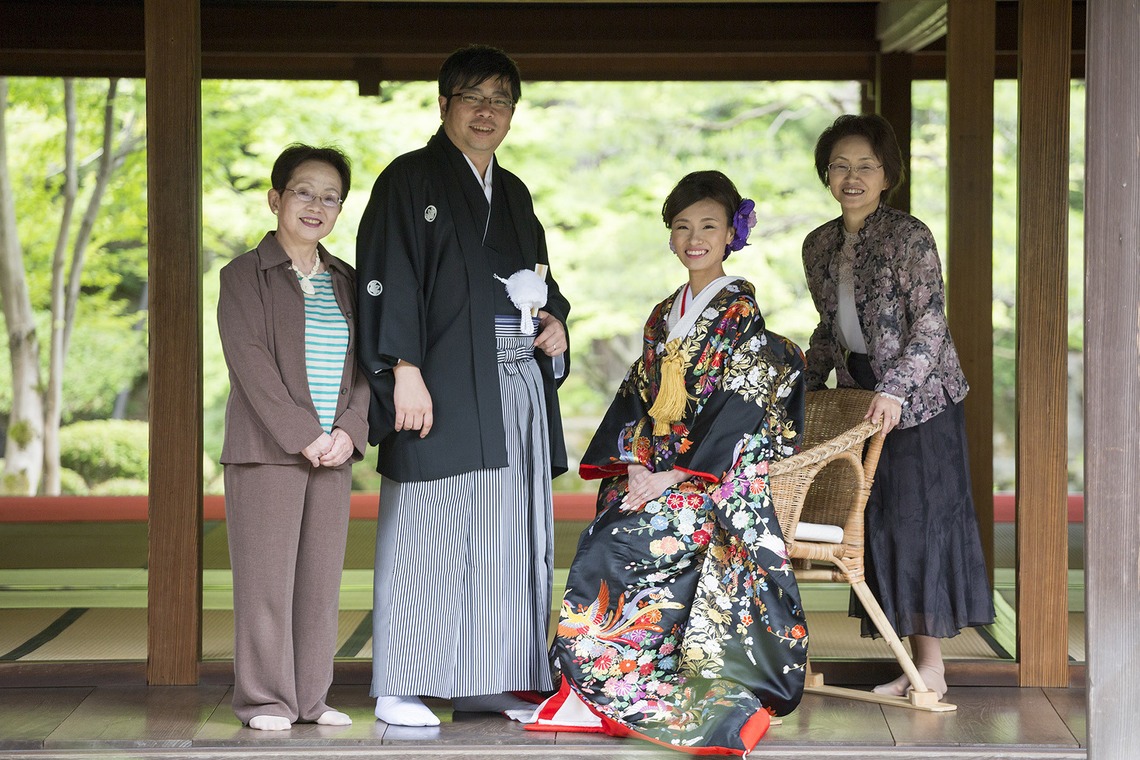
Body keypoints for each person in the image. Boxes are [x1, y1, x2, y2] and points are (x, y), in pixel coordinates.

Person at [532, 171, 807, 756]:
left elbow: (738, 410)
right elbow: (639, 395)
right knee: (611, 521)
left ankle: (618, 678)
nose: (694, 239)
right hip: (656, 467)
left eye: (708, 226)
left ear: (732, 234)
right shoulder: (663, 315)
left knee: (631, 535)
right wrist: (634, 463)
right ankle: (596, 679)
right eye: (682, 227)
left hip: (712, 479)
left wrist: (675, 474)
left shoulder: (740, 313)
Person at [356, 45, 571, 728]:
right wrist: (403, 370)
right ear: (443, 102)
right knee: (430, 533)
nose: (487, 112)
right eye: (473, 97)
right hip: (439, 384)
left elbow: (541, 283)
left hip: (513, 387)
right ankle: (402, 682)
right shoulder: (408, 179)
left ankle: (491, 678)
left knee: (508, 537)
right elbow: (388, 274)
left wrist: (556, 323)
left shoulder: (515, 193)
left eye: (500, 100)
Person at [801, 114, 994, 700]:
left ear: (887, 175)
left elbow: (931, 323)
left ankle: (931, 667)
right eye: (840, 165)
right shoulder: (818, 244)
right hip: (862, 399)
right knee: (878, 526)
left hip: (921, 402)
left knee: (919, 524)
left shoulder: (910, 237)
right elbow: (829, 328)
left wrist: (897, 389)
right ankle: (906, 663)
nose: (852, 177)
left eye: (866, 166)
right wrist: (800, 384)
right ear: (826, 174)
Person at [218, 144, 370, 730]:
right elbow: (250, 364)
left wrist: (348, 432)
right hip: (267, 453)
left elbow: (366, 368)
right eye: (304, 192)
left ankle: (311, 699)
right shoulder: (242, 275)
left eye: (330, 197)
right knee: (266, 584)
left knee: (319, 583)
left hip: (333, 453)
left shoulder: (347, 281)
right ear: (275, 198)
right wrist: (305, 435)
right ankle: (265, 700)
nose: (316, 206)